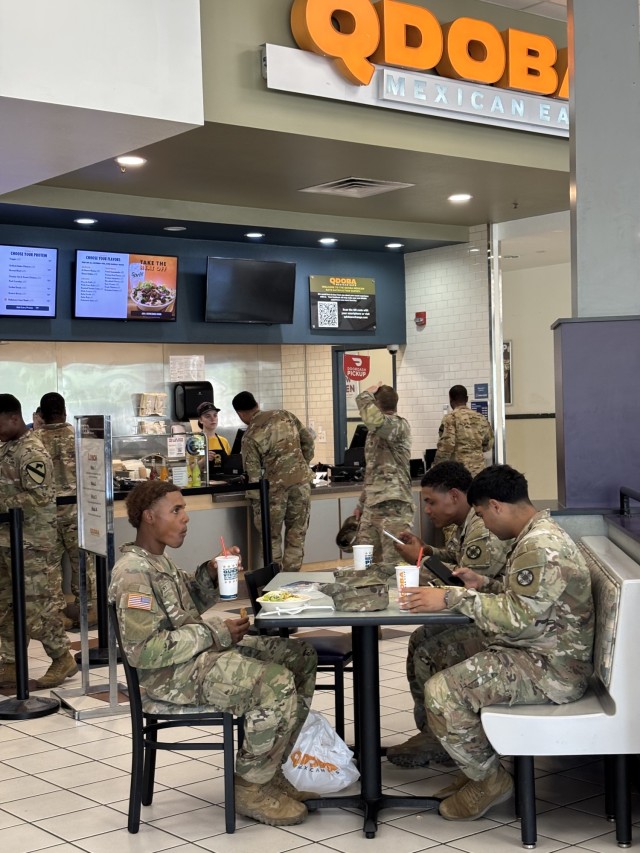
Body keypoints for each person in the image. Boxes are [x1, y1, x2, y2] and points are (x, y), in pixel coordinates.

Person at [109, 480, 317, 826]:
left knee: (299, 656)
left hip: (193, 660)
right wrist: (215, 632)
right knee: (275, 683)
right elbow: (144, 653)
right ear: (148, 517)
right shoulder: (133, 574)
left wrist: (209, 573)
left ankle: (269, 769)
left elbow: (186, 605)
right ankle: (250, 788)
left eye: (184, 509)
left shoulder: (159, 562)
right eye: (176, 510)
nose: (185, 518)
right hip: (170, 677)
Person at [398, 465, 594, 821]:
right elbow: (526, 602)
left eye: (483, 514)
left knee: (443, 690)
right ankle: (474, 766)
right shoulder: (534, 536)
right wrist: (482, 583)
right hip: (538, 650)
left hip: (551, 668)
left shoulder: (540, 546)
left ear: (497, 505)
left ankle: (490, 781)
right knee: (436, 653)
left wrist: (449, 599)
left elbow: (519, 617)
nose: (484, 523)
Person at [386, 461, 512, 768]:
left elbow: (467, 588)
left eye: (431, 501)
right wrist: (425, 552)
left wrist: (431, 576)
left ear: (454, 496)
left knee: (429, 650)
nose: (427, 510)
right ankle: (433, 731)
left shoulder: (481, 529)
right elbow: (455, 560)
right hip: (485, 615)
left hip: (494, 623)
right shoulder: (467, 524)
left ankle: (442, 736)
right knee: (420, 639)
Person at [0, 394, 77, 689]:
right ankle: (9, 662)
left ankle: (61, 657)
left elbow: (39, 496)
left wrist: (1, 502)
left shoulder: (32, 451)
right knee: (5, 604)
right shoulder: (6, 447)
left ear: (13, 418)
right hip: (7, 541)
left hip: (32, 543)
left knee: (37, 607)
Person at [232, 391, 314, 572]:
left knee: (271, 538)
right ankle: (291, 581)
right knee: (297, 535)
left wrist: (257, 508)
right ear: (256, 404)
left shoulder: (250, 435)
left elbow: (253, 478)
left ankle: (275, 584)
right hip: (301, 485)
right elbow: (308, 441)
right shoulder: (285, 415)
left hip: (273, 492)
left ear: (241, 413)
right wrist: (301, 466)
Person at [37, 392, 97, 630]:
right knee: (82, 561)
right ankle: (88, 610)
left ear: (41, 415)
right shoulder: (80, 437)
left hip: (46, 516)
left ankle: (56, 615)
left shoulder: (33, 440)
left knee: (49, 566)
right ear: (64, 410)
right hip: (78, 513)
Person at [353, 382, 413, 565]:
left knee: (394, 565)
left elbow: (374, 421)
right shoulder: (374, 433)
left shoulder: (398, 425)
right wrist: (361, 504)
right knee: (365, 564)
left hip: (395, 507)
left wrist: (365, 395)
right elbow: (372, 471)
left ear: (376, 405)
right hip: (372, 507)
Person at [433, 385, 494, 476]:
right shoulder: (481, 418)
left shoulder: (450, 418)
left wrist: (436, 468)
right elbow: (489, 444)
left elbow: (447, 446)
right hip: (479, 471)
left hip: (459, 472)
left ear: (450, 399)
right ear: (467, 399)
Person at [196, 400, 231, 479]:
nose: (213, 419)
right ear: (200, 420)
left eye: (215, 415)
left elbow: (230, 465)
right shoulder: (195, 441)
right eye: (208, 416)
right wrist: (203, 460)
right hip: (204, 486)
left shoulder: (223, 441)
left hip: (224, 484)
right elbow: (189, 469)